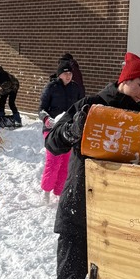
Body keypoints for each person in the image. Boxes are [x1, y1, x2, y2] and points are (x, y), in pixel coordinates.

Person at [40, 51, 140, 279]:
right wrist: (74, 128)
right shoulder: (90, 105)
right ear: (124, 81)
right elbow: (53, 143)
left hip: (120, 216)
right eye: (139, 84)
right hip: (78, 210)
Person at [39, 61, 83, 196]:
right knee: (53, 161)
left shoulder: (76, 88)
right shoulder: (51, 87)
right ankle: (46, 190)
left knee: (65, 162)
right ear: (59, 75)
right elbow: (41, 109)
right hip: (51, 129)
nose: (68, 76)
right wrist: (46, 119)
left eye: (70, 73)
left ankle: (59, 192)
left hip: (68, 129)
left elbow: (81, 107)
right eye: (65, 73)